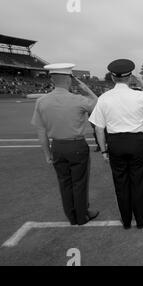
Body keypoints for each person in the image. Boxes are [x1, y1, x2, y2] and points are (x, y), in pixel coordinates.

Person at [88, 59, 143, 229]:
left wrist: (103, 152)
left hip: (115, 143)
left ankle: (126, 221)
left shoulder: (104, 98)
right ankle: (140, 220)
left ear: (112, 77)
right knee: (139, 182)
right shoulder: (139, 95)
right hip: (136, 142)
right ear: (130, 76)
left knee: (120, 183)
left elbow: (98, 129)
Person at [31, 63, 99, 225]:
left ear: (53, 80)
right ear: (69, 80)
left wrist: (47, 154)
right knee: (79, 182)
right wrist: (87, 90)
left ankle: (72, 216)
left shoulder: (41, 101)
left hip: (57, 147)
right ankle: (82, 216)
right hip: (76, 146)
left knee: (64, 183)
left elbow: (41, 132)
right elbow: (98, 104)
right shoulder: (78, 99)